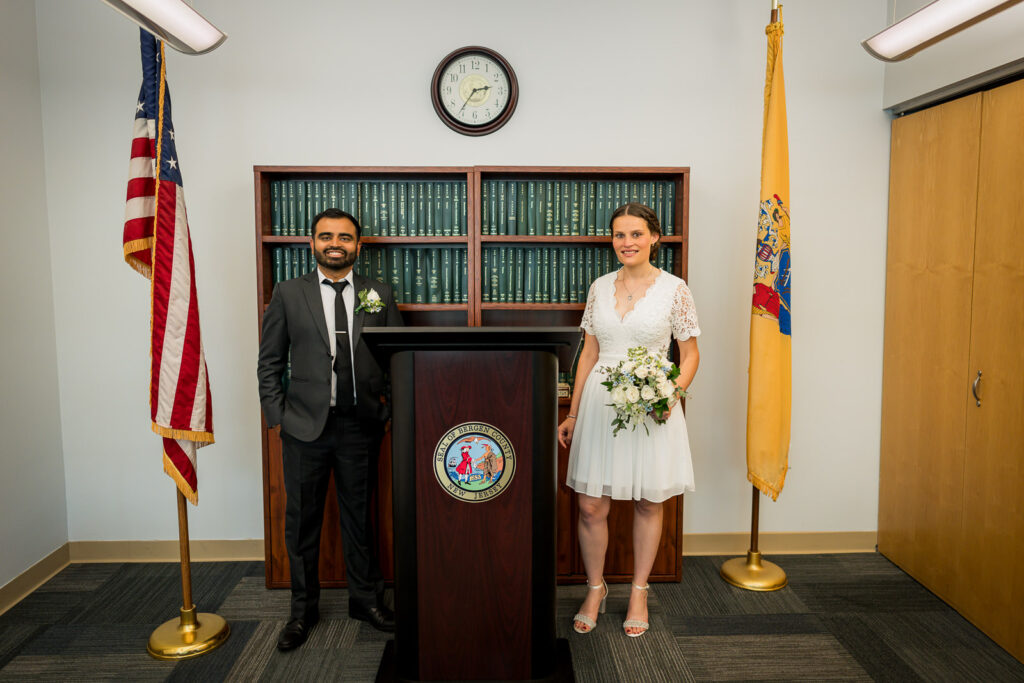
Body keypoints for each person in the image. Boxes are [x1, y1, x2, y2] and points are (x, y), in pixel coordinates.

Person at [258, 207, 403, 651]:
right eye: (326, 237)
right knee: (301, 524)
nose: (335, 243)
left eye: (344, 237)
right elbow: (269, 362)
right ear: (312, 243)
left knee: (361, 520)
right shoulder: (288, 293)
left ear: (358, 245)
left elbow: (397, 357)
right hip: (304, 428)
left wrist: (389, 411)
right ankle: (302, 612)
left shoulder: (378, 293)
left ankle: (366, 600)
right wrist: (279, 417)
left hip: (360, 426)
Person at [557, 202, 700, 638]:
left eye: (636, 234)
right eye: (620, 235)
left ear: (654, 237)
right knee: (590, 505)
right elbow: (589, 354)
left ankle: (639, 591)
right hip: (601, 402)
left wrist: (670, 395)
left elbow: (690, 355)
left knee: (647, 501)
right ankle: (595, 588)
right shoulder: (599, 287)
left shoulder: (676, 289)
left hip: (652, 406)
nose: (627, 243)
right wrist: (574, 412)